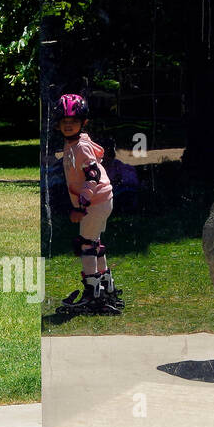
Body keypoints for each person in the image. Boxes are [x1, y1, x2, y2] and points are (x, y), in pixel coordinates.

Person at [53, 93, 123, 314]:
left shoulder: (79, 146)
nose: (68, 125)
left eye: (73, 122)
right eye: (64, 122)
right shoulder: (75, 142)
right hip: (103, 199)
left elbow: (92, 175)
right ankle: (106, 286)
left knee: (85, 244)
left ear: (83, 123)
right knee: (95, 243)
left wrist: (80, 206)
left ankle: (93, 295)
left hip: (94, 201)